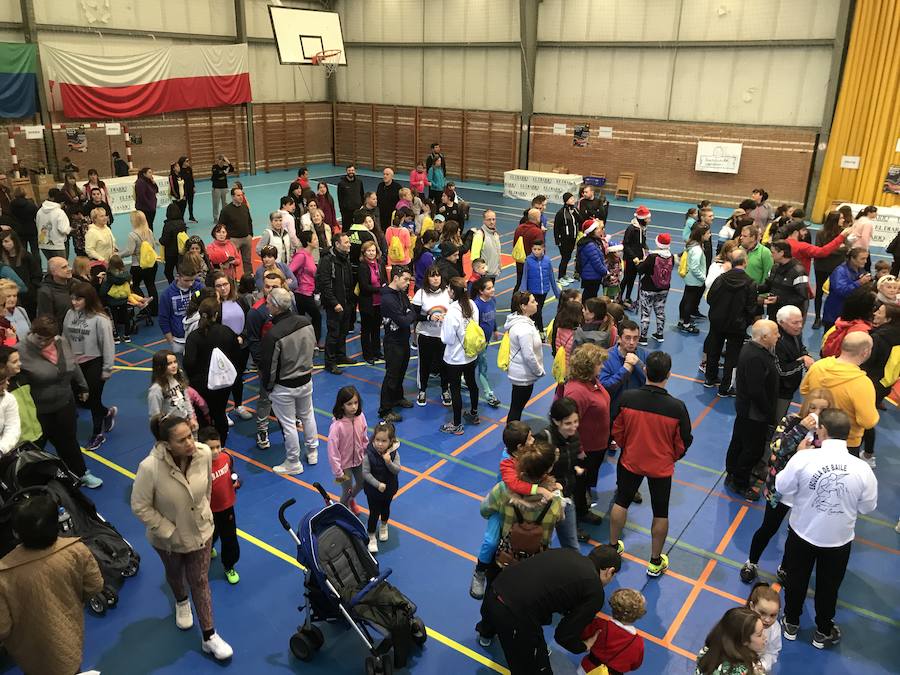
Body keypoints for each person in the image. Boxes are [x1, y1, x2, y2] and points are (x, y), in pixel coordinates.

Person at [131, 414, 233, 661]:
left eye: (190, 436)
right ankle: (180, 601)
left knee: (199, 579)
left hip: (201, 531)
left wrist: (204, 514)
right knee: (175, 573)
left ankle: (209, 636)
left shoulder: (203, 453)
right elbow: (140, 506)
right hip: (168, 540)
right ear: (166, 444)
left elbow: (207, 487)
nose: (190, 443)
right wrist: (168, 530)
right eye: (182, 440)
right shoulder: (149, 468)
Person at [776, 408, 877, 649]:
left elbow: (782, 485)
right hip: (838, 540)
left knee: (797, 578)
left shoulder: (804, 458)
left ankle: (790, 623)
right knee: (828, 586)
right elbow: (868, 507)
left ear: (822, 431)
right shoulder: (862, 469)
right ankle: (822, 630)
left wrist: (797, 457)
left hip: (802, 532)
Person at [0, 491, 104, 675]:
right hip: (69, 629)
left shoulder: (4, 573)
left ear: (16, 532)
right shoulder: (76, 550)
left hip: (28, 648)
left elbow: (3, 626)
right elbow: (94, 585)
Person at [609, 351, 691, 576]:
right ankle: (655, 561)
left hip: (630, 460)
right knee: (661, 512)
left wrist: (628, 446)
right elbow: (684, 441)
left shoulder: (628, 399)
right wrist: (669, 457)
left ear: (645, 371)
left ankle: (612, 547)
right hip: (661, 468)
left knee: (621, 501)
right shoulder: (677, 407)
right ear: (669, 375)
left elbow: (616, 429)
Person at [478, 545, 622, 673]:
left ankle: (486, 631)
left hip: (496, 589)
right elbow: (563, 636)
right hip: (514, 613)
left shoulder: (567, 552)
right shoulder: (595, 591)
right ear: (610, 571)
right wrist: (583, 646)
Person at [740, 388, 833, 583]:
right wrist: (800, 431)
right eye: (813, 407)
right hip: (781, 489)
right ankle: (752, 562)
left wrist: (805, 453)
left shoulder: (827, 433)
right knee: (768, 528)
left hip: (806, 495)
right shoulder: (791, 421)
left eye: (822, 410)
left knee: (795, 535)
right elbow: (777, 448)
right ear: (806, 406)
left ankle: (785, 566)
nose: (816, 413)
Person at [16, 316, 102, 487]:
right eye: (38, 337)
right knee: (34, 449)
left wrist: (83, 386)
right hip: (38, 411)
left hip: (64, 403)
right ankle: (31, 485)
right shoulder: (20, 351)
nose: (42, 342)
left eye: (47, 339)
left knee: (69, 441)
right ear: (32, 332)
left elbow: (73, 364)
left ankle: (80, 473)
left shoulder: (61, 342)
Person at [258, 287, 319, 475]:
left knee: (289, 424)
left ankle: (293, 461)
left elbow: (270, 367)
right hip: (306, 379)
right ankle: (313, 451)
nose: (266, 304)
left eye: (268, 302)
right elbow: (314, 348)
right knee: (307, 415)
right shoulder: (306, 322)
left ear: (275, 307)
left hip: (285, 385)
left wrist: (268, 388)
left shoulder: (274, 335)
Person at [724, 320, 780, 500]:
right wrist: (769, 413)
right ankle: (740, 483)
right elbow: (756, 390)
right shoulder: (756, 357)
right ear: (764, 337)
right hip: (754, 413)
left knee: (739, 442)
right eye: (775, 333)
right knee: (751, 448)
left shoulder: (751, 349)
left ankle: (732, 473)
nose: (778, 336)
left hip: (746, 409)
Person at [799, 331, 878, 457]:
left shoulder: (818, 366)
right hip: (846, 443)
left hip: (815, 435)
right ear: (865, 352)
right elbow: (868, 421)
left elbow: (804, 390)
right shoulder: (862, 383)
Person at [62, 282, 116, 450]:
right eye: (72, 299)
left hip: (95, 362)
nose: (74, 303)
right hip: (75, 365)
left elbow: (108, 344)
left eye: (78, 299)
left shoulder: (100, 319)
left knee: (93, 399)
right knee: (84, 401)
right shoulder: (70, 314)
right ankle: (107, 413)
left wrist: (107, 368)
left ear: (88, 299)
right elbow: (64, 338)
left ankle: (97, 434)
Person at [564, 344, 611, 527]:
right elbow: (570, 427)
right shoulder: (577, 391)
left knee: (586, 480)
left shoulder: (593, 381)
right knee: (578, 484)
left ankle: (582, 507)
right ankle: (577, 517)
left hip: (597, 445)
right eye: (599, 363)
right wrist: (579, 450)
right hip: (585, 449)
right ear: (587, 365)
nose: (602, 366)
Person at [184, 298, 240, 445]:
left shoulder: (194, 337)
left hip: (201, 384)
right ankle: (221, 444)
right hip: (223, 382)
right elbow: (237, 356)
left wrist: (194, 380)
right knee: (220, 412)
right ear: (217, 314)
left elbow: (188, 363)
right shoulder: (227, 332)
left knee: (203, 415)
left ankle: (205, 444)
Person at [704, 249, 759, 394]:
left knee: (714, 350)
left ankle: (710, 378)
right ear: (745, 262)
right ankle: (725, 387)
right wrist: (745, 320)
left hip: (717, 321)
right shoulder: (750, 283)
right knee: (732, 356)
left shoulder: (721, 279)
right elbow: (751, 308)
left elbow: (710, 298)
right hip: (737, 325)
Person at [194, 427, 241, 585]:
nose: (215, 451)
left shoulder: (226, 457)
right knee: (210, 535)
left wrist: (236, 482)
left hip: (227, 507)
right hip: (207, 512)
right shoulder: (197, 467)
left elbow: (232, 474)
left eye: (217, 446)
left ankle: (229, 565)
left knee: (230, 539)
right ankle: (210, 546)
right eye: (210, 448)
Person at [860, 302, 900, 465]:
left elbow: (867, 362)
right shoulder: (896, 334)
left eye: (880, 312)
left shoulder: (879, 338)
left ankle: (868, 455)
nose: (875, 313)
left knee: (865, 419)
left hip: (871, 382)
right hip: (885, 383)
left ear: (888, 318)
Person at [440, 277, 480, 434]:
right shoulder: (472, 305)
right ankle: (474, 414)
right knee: (472, 383)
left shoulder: (452, 313)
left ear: (451, 291)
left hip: (455, 358)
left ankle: (457, 424)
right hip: (471, 355)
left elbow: (448, 339)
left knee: (455, 389)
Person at [577, 588, 646, 675]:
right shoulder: (638, 643)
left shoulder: (599, 625)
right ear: (638, 615)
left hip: (587, 669)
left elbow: (583, 636)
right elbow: (635, 665)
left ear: (614, 608)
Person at [378, 266, 416, 422]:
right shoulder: (388, 299)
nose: (408, 283)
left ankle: (397, 397)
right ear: (395, 278)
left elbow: (410, 311)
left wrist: (409, 313)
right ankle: (385, 409)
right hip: (393, 342)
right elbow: (403, 320)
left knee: (401, 371)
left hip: (403, 339)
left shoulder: (401, 294)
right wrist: (408, 314)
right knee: (392, 375)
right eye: (405, 279)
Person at [412, 264, 451, 407]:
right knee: (425, 364)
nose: (435, 279)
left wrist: (447, 316)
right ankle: (422, 390)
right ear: (427, 278)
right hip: (426, 335)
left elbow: (455, 310)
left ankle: (445, 390)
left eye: (437, 275)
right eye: (432, 276)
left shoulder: (448, 292)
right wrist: (429, 318)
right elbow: (414, 315)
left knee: (444, 364)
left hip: (444, 336)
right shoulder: (421, 293)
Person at [317, 232, 356, 374]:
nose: (349, 244)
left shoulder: (345, 257)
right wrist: (334, 303)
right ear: (337, 244)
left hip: (346, 302)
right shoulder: (328, 261)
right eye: (346, 242)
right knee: (333, 333)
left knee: (343, 331)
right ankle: (330, 362)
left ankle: (340, 355)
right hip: (335, 304)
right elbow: (325, 285)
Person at [361, 420, 401, 554]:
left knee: (385, 509)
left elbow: (396, 470)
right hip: (373, 490)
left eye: (383, 441)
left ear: (391, 441)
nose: (379, 444)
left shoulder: (394, 454)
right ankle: (371, 535)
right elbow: (365, 473)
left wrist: (388, 462)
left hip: (389, 489)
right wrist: (377, 485)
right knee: (374, 513)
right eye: (377, 440)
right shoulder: (369, 453)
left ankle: (384, 525)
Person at [504, 290, 544, 422]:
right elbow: (529, 355)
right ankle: (513, 436)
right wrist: (538, 371)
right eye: (532, 301)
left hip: (521, 373)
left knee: (516, 407)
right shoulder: (524, 329)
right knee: (516, 408)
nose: (536, 303)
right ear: (523, 306)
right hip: (523, 375)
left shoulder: (524, 323)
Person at [328, 386, 368, 513]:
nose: (353, 407)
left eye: (355, 403)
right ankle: (342, 511)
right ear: (342, 405)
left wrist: (366, 453)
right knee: (347, 490)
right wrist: (338, 472)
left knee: (362, 483)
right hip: (344, 466)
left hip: (359, 460)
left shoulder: (360, 417)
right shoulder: (337, 426)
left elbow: (364, 436)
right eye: (349, 404)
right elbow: (332, 451)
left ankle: (351, 500)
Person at [772, 305, 815, 422]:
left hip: (790, 386)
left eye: (801, 322)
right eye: (795, 323)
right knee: (776, 420)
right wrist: (802, 362)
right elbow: (782, 370)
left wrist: (806, 356)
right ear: (781, 323)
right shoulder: (777, 341)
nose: (800, 326)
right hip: (780, 391)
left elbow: (801, 348)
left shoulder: (795, 333)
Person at [695, 607, 766, 675]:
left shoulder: (707, 651)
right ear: (744, 640)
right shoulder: (741, 671)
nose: (765, 637)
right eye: (759, 635)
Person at [599, 320, 648, 408]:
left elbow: (651, 380)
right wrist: (624, 370)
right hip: (615, 409)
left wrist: (639, 364)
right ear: (619, 338)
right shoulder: (606, 357)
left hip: (637, 409)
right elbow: (604, 387)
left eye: (635, 338)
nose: (632, 342)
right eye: (628, 338)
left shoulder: (644, 355)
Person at [635, 233, 674, 344]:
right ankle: (660, 334)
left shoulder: (652, 257)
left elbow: (641, 269)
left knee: (646, 313)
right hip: (664, 288)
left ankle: (643, 337)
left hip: (648, 288)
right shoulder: (671, 256)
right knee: (660, 311)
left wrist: (638, 263)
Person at [822, 247, 871, 332]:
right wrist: (859, 283)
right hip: (835, 313)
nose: (865, 261)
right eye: (862, 259)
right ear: (852, 258)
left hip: (850, 313)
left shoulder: (860, 269)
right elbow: (842, 291)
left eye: (866, 258)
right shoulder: (840, 271)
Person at [159, 262, 203, 356]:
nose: (190, 284)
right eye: (186, 280)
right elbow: (163, 319)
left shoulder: (200, 288)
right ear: (178, 277)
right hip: (179, 341)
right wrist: (171, 342)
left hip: (199, 337)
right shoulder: (167, 294)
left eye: (192, 280)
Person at [758, 240, 808, 319]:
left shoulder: (799, 272)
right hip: (773, 312)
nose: (771, 255)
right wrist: (752, 287)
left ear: (781, 253)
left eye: (773, 252)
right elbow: (768, 286)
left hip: (789, 317)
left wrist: (779, 300)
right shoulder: (774, 268)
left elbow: (802, 297)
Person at [123, 209, 160, 315]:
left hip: (138, 266)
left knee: (134, 286)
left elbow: (129, 251)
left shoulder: (133, 235)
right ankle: (155, 310)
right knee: (151, 285)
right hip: (151, 264)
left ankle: (144, 306)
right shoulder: (149, 231)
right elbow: (153, 246)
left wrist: (117, 255)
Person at [148, 349, 197, 428]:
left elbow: (186, 399)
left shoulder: (178, 379)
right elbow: (155, 415)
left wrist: (191, 417)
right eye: (169, 364)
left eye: (175, 362)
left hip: (185, 422)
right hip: (171, 428)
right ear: (160, 367)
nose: (174, 366)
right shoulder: (156, 389)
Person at [520, 240, 559, 335]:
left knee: (536, 312)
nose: (536, 251)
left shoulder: (547, 260)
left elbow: (551, 277)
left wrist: (557, 292)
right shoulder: (528, 261)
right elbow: (524, 277)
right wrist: (523, 291)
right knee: (537, 312)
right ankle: (540, 331)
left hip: (544, 291)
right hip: (533, 291)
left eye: (539, 249)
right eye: (534, 249)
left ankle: (534, 329)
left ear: (543, 249)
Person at [358, 241, 387, 364]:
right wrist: (380, 289)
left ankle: (377, 352)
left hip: (379, 302)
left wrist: (384, 286)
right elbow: (364, 286)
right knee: (366, 330)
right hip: (367, 303)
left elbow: (384, 279)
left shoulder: (380, 264)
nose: (371, 253)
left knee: (376, 329)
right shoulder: (363, 266)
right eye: (369, 251)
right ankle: (367, 354)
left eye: (373, 250)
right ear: (364, 253)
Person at [678, 223, 709, 334]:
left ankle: (682, 320)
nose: (709, 235)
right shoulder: (697, 250)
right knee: (689, 302)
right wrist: (703, 278)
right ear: (701, 235)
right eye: (708, 233)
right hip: (694, 280)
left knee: (686, 299)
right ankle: (686, 324)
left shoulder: (693, 246)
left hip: (689, 279)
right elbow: (695, 267)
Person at [746, 584, 782, 673]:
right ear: (752, 606)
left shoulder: (775, 628)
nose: (767, 620)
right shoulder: (741, 622)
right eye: (762, 613)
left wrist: (761, 666)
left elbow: (772, 652)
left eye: (773, 615)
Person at [216, 188, 253, 276]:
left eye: (242, 195)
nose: (241, 197)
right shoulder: (226, 210)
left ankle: (249, 279)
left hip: (246, 238)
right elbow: (221, 226)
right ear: (233, 197)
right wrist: (227, 239)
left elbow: (249, 221)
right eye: (238, 195)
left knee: (247, 261)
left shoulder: (244, 207)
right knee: (232, 262)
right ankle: (233, 280)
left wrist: (251, 234)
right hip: (233, 240)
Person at [619, 206, 650, 309]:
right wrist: (633, 256)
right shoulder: (631, 229)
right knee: (626, 278)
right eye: (647, 218)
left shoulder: (643, 228)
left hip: (639, 258)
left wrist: (645, 248)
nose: (649, 220)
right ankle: (619, 298)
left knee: (632, 279)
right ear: (642, 218)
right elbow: (626, 245)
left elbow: (642, 242)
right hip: (630, 258)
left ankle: (627, 297)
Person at [512, 208, 545, 294]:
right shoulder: (537, 232)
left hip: (520, 261)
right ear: (538, 218)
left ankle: (515, 302)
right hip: (532, 263)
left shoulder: (518, 228)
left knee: (519, 282)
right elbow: (540, 251)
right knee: (530, 285)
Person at [36, 188, 71, 265]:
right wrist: (70, 229)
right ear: (62, 202)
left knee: (51, 266)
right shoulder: (59, 212)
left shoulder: (40, 210)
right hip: (57, 245)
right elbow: (63, 229)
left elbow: (37, 224)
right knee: (62, 266)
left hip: (43, 243)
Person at [554, 192, 582, 285]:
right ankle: (560, 277)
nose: (573, 199)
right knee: (565, 258)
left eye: (573, 198)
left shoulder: (574, 210)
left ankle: (564, 275)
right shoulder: (561, 213)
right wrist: (557, 240)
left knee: (568, 257)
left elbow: (581, 220)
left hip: (572, 238)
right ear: (566, 201)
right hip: (564, 239)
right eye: (571, 198)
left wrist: (575, 213)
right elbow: (556, 227)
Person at [470, 209, 502, 278]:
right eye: (489, 219)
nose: (492, 222)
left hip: (493, 273)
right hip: (484, 275)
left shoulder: (495, 234)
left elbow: (497, 253)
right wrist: (480, 272)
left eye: (493, 219)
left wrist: (499, 267)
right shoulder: (479, 235)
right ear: (484, 221)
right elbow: (475, 257)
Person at [8, 187, 39, 257]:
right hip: (31, 229)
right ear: (25, 194)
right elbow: (37, 215)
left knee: (22, 250)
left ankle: (24, 266)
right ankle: (37, 266)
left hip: (19, 230)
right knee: (35, 251)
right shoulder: (31, 204)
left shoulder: (11, 205)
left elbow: (10, 217)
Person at [337, 164, 365, 230]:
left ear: (354, 171)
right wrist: (342, 210)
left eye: (352, 170)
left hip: (358, 210)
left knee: (359, 227)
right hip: (347, 212)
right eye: (349, 170)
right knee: (346, 228)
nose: (351, 172)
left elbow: (362, 194)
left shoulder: (359, 182)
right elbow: (340, 198)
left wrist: (362, 206)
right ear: (346, 171)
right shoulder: (341, 184)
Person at [210, 155, 234, 222]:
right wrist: (224, 172)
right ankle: (215, 218)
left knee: (225, 204)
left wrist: (228, 162)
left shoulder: (225, 167)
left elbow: (232, 169)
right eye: (220, 160)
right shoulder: (214, 167)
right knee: (216, 204)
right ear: (217, 160)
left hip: (224, 188)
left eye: (223, 160)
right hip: (216, 188)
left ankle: (225, 217)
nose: (222, 162)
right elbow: (216, 173)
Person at [177, 156, 197, 222]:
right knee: (183, 205)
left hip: (190, 189)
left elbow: (191, 178)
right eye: (187, 161)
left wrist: (193, 186)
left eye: (188, 161)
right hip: (184, 190)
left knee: (191, 203)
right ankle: (181, 219)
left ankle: (191, 216)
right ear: (183, 162)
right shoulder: (179, 170)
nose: (188, 162)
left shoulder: (189, 169)